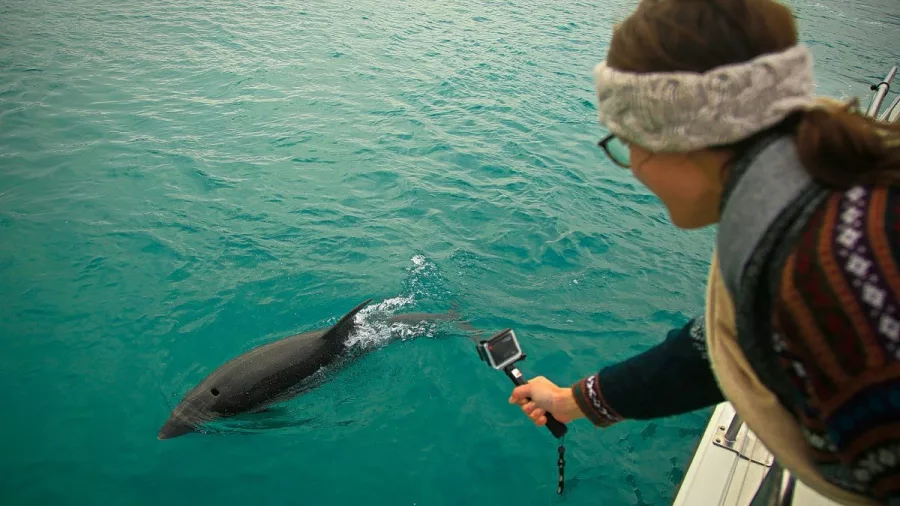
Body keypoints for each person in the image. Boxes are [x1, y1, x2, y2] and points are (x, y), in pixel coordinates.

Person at [507, 0, 900, 504]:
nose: (632, 170)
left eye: (625, 145)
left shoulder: (829, 286)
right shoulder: (811, 188)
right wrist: (572, 401)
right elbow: (725, 343)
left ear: (677, 141)